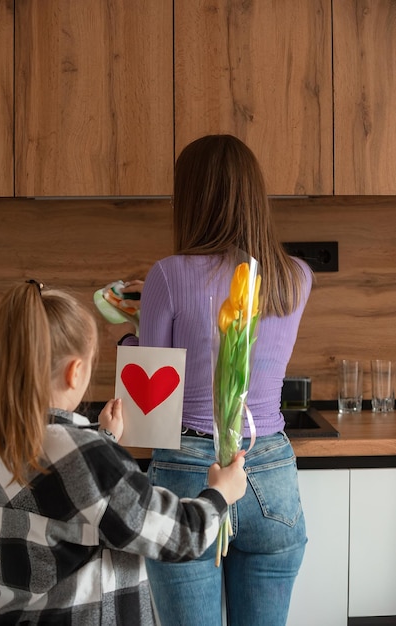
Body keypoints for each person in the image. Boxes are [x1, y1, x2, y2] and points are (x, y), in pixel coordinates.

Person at [116, 134, 313, 626]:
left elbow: (150, 395)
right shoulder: (296, 276)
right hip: (269, 472)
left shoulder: (167, 275)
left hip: (188, 473)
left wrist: (130, 329)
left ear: (191, 199)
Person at [0, 280, 247, 625]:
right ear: (75, 372)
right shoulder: (87, 457)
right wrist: (221, 493)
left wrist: (103, 437)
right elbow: (181, 537)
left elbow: (55, 500)